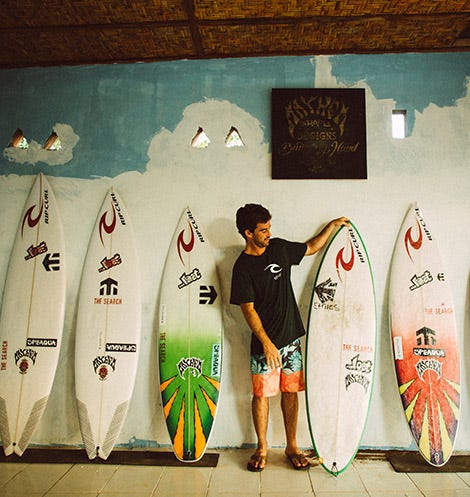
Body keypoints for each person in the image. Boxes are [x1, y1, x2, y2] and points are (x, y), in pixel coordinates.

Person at [230, 203, 349, 472]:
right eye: (263, 230)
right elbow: (248, 310)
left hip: (291, 340)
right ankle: (261, 447)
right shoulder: (242, 267)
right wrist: (267, 343)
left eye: (269, 227)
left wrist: (330, 227)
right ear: (248, 233)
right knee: (261, 395)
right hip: (265, 345)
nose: (268, 233)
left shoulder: (280, 249)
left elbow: (311, 247)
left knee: (291, 392)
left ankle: (291, 446)